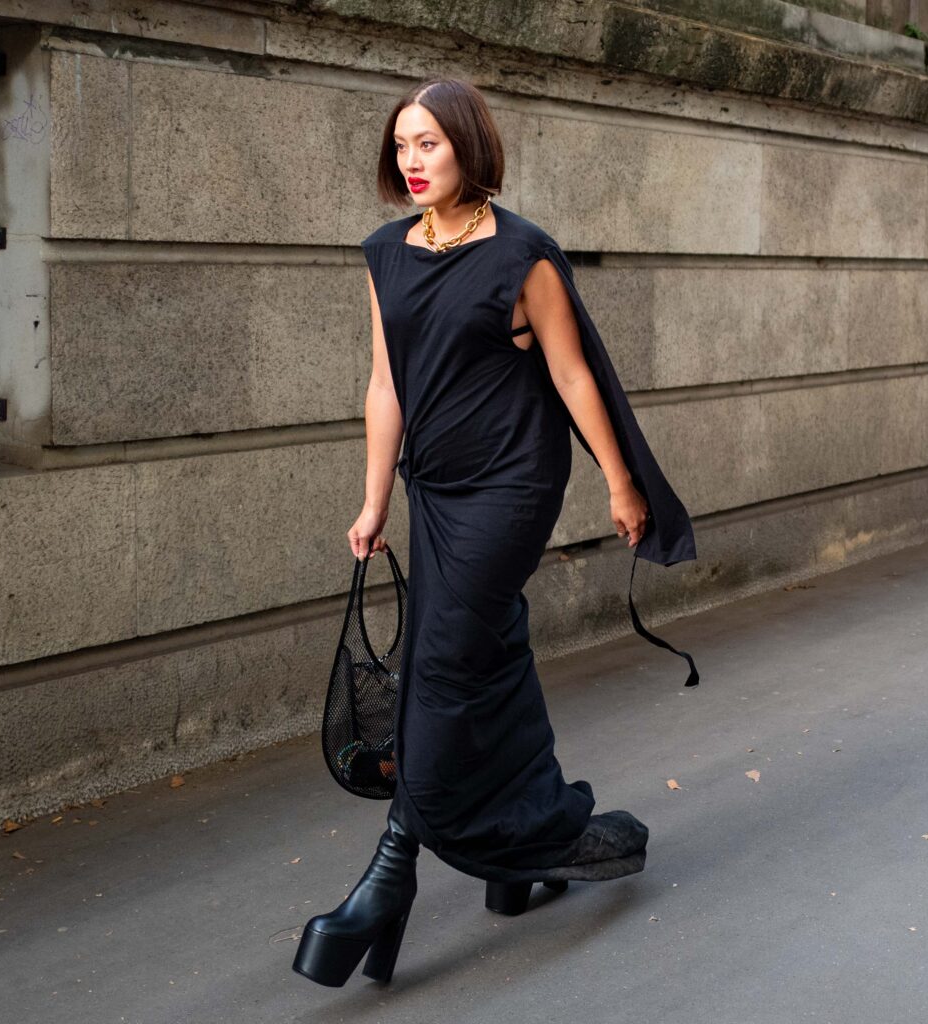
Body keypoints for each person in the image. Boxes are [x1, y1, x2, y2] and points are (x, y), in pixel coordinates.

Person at [292, 77, 698, 989]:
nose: (412, 159)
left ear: (470, 146)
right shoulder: (385, 254)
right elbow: (385, 385)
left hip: (511, 489)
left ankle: (384, 885)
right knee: (488, 654)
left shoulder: (524, 256)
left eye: (429, 142)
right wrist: (373, 502)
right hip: (432, 490)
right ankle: (528, 851)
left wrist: (622, 485)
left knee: (439, 667)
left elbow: (574, 375)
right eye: (402, 145)